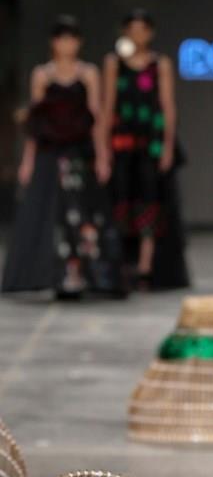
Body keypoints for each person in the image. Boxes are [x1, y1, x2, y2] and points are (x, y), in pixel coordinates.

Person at [2, 15, 126, 298]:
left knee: (84, 213)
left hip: (79, 153)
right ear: (53, 42)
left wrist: (102, 155)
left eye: (71, 38)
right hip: (49, 153)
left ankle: (90, 276)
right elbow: (36, 121)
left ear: (78, 42)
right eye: (61, 38)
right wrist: (28, 161)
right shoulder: (42, 75)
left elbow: (96, 117)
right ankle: (49, 275)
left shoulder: (88, 73)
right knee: (47, 214)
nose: (66, 44)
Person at [103, 8, 188, 291]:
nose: (138, 34)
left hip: (151, 144)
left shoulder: (160, 64)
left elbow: (168, 106)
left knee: (150, 203)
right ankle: (123, 264)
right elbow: (107, 107)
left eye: (143, 29)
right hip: (122, 143)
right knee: (122, 203)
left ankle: (145, 266)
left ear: (150, 33)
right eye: (133, 29)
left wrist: (168, 146)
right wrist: (102, 148)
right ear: (125, 32)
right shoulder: (114, 63)